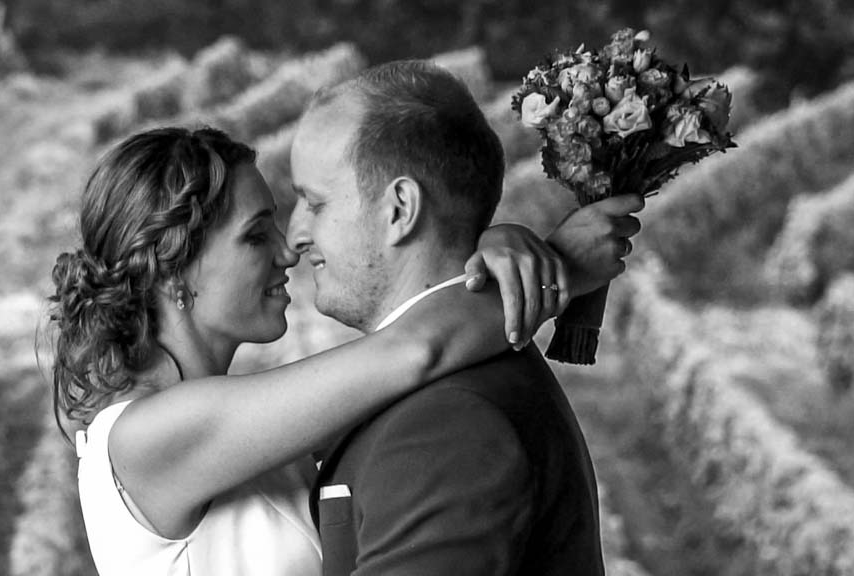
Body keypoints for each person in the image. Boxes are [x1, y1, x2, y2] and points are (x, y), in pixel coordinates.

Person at [52, 125, 638, 575]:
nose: (288, 253)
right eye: (256, 235)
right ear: (171, 270)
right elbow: (416, 350)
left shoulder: (241, 429)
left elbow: (407, 369)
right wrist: (560, 267)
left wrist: (491, 250)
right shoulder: (147, 437)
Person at [289, 60, 644, 576]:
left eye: (314, 204)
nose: (295, 237)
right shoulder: (434, 389)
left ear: (399, 209)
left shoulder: (446, 424)